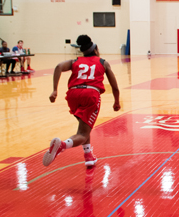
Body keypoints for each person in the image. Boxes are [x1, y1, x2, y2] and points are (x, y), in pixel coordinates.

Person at [43, 34, 121, 169]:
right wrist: (116, 101)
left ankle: (88, 156)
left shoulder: (75, 61)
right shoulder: (102, 62)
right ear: (95, 48)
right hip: (90, 94)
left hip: (73, 95)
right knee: (83, 134)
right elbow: (114, 87)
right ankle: (62, 145)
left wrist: (54, 90)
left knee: (84, 127)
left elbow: (58, 67)